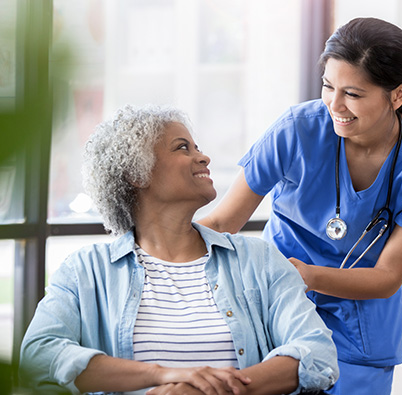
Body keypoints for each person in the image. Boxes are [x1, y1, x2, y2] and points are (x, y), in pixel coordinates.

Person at [199, 17, 402, 395]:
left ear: (398, 95)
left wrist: (305, 275)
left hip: (359, 334)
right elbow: (223, 220)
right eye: (328, 86)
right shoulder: (296, 129)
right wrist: (153, 248)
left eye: (353, 94)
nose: (335, 105)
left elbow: (388, 276)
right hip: (277, 315)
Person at [19, 104, 339, 395]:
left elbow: (318, 352)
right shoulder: (85, 270)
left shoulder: (259, 260)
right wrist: (160, 375)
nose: (203, 157)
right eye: (182, 147)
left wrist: (206, 391)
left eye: (196, 147)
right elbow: (39, 354)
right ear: (136, 174)